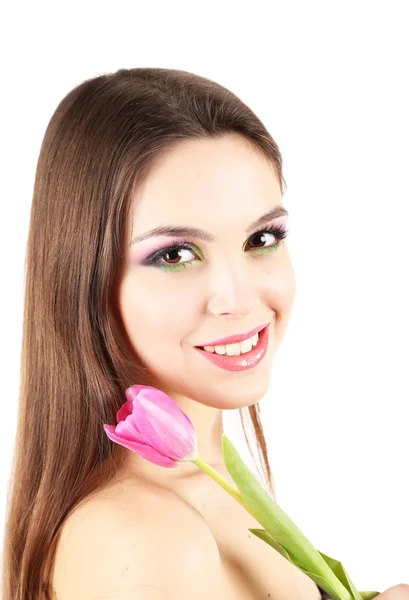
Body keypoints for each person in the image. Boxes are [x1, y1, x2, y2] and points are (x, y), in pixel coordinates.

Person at [2, 68, 408, 600]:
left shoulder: (213, 480)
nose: (237, 297)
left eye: (262, 237)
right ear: (85, 281)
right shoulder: (141, 538)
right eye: (174, 255)